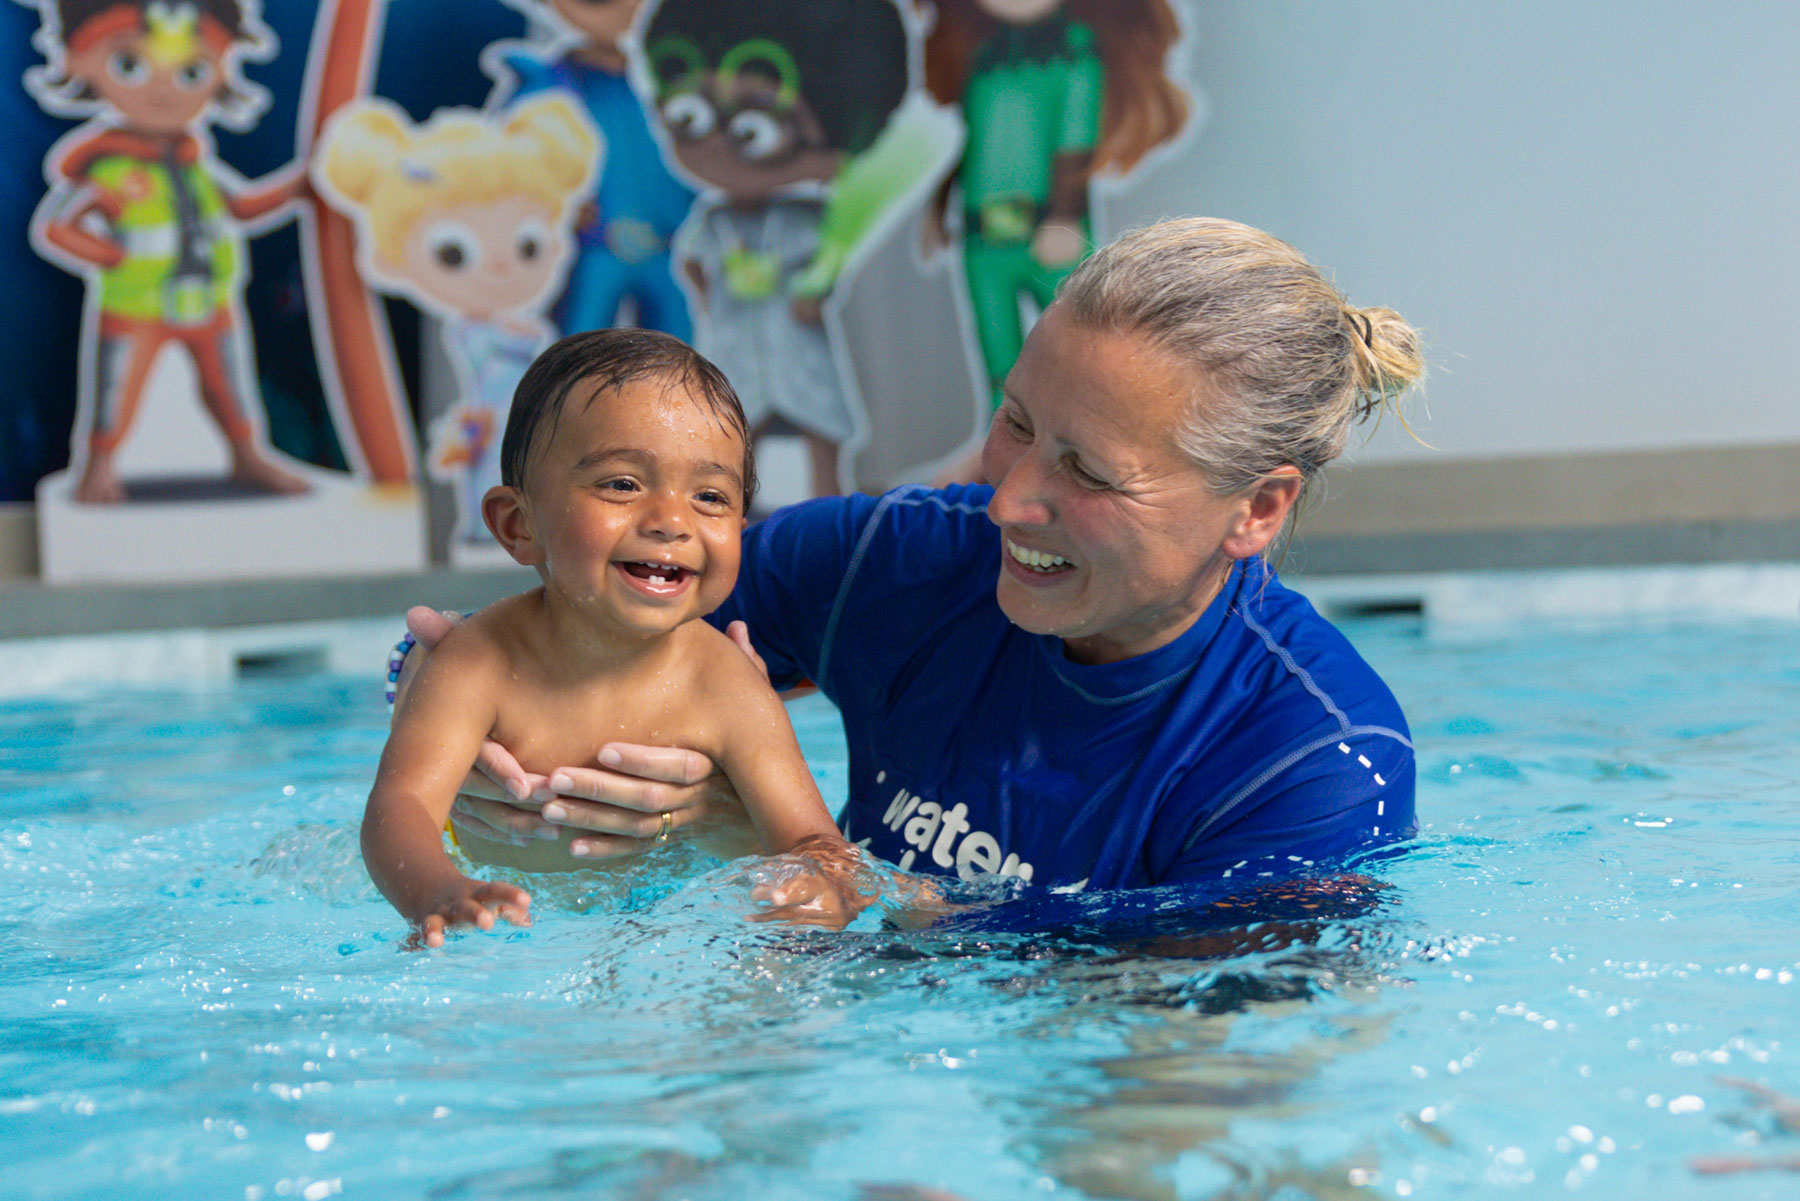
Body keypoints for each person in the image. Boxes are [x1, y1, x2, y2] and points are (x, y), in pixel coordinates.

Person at [416, 217, 1425, 895]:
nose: (1011, 498)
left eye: (1089, 471)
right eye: (1016, 423)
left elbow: (1159, 1072)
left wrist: (751, 840)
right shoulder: (890, 564)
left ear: (1256, 508)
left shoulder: (1304, 765)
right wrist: (478, 737)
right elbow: (553, 629)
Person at [365, 328, 872, 945]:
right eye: (622, 484)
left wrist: (819, 890)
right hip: (503, 916)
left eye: (710, 496)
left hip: (672, 925)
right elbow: (400, 809)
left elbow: (816, 844)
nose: (670, 522)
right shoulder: (482, 664)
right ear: (518, 525)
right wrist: (439, 893)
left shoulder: (724, 683)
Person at [23, 0, 310, 504]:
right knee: (115, 388)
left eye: (191, 70)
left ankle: (248, 453)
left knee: (229, 383)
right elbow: (55, 226)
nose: (163, 88)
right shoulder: (106, 167)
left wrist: (298, 188)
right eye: (130, 65)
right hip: (137, 303)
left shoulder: (194, 161)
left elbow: (240, 206)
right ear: (79, 62)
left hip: (208, 300)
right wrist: (110, 255)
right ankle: (99, 467)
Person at [314, 94, 598, 548]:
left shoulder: (522, 331)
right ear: (391, 261)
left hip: (533, 429)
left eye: (527, 246)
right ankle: (485, 529)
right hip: (490, 427)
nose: (501, 269)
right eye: (453, 253)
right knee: (494, 477)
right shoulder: (468, 336)